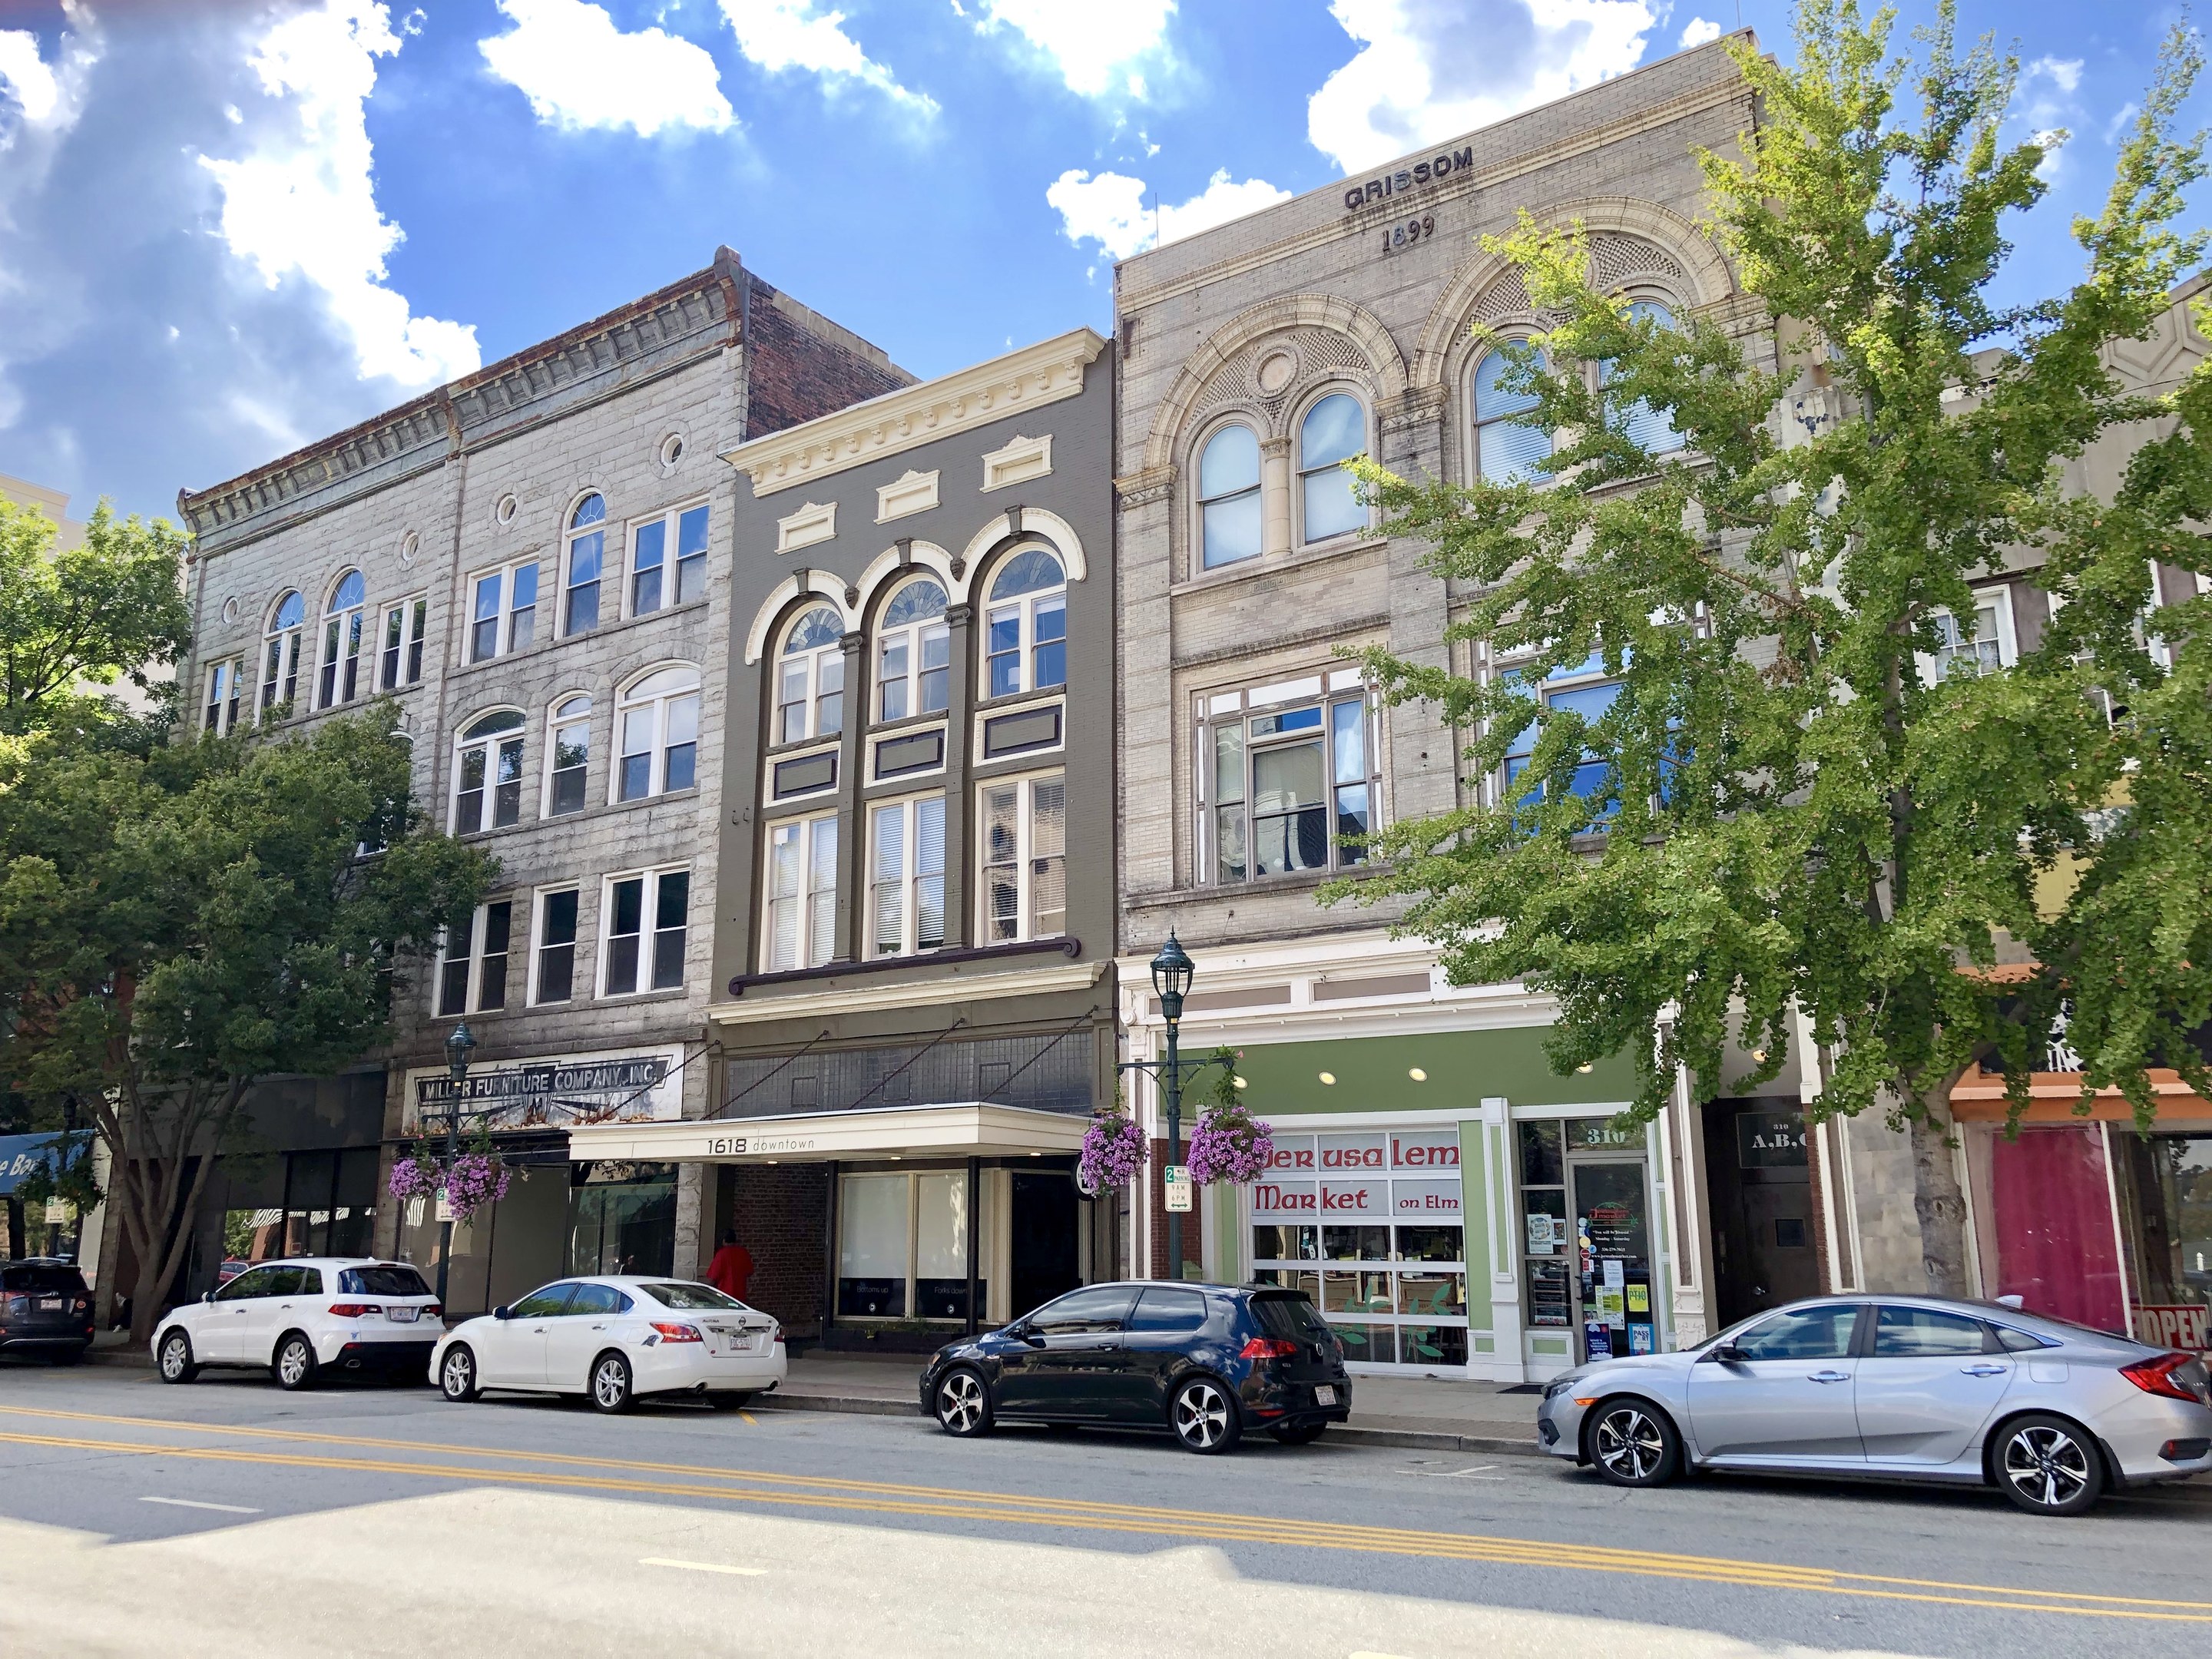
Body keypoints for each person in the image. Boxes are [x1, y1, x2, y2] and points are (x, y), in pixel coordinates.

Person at [705, 1230, 753, 1301]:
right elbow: (749, 1272)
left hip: (724, 1295)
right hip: (740, 1295)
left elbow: (712, 1278)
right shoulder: (743, 1253)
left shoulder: (721, 1254)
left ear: (724, 1240)